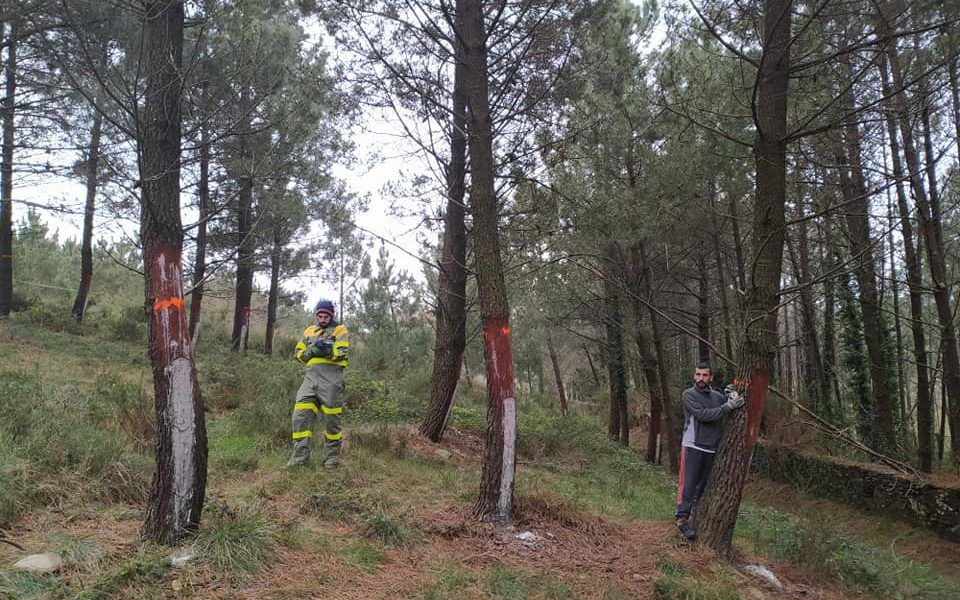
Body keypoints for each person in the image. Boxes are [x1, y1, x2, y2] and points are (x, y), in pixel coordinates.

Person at [675, 362, 745, 541]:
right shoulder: (688, 395)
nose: (701, 378)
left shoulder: (716, 396)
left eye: (705, 375)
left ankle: (697, 516)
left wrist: (731, 393)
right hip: (693, 445)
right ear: (694, 376)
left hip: (711, 447)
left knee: (703, 485)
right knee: (688, 484)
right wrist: (728, 407)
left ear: (711, 378)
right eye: (698, 374)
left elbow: (728, 400)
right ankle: (682, 521)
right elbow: (704, 415)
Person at [286, 299, 350, 469]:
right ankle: (300, 458)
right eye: (320, 315)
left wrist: (328, 349)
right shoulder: (309, 331)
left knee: (331, 420)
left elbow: (343, 352)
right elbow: (298, 355)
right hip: (310, 379)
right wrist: (311, 350)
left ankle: (331, 459)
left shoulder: (339, 329)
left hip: (331, 380)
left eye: (326, 316)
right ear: (316, 315)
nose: (322, 319)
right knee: (300, 416)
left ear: (331, 315)